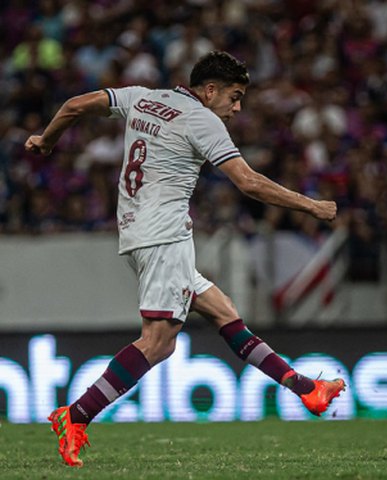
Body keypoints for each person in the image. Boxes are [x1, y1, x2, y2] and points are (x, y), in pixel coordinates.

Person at [24, 51, 346, 468]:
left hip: (137, 232)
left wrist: (46, 140)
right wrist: (312, 207)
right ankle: (76, 416)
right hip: (164, 237)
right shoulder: (201, 120)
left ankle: (306, 389)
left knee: (223, 311)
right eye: (234, 96)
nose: (237, 107)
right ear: (209, 91)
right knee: (158, 343)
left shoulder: (142, 97)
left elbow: (74, 106)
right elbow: (248, 182)